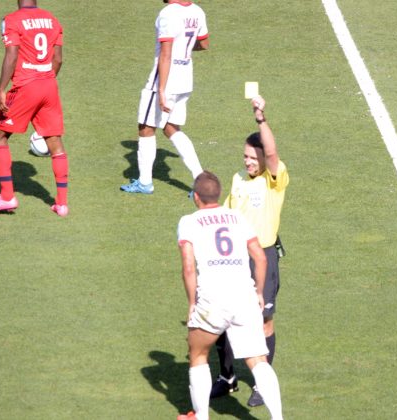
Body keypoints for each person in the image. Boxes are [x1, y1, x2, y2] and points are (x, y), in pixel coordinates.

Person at [176, 171, 283, 420]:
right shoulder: (238, 217)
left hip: (212, 299)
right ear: (219, 194)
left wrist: (192, 303)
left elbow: (189, 267)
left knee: (198, 353)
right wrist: (258, 291)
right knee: (259, 360)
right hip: (244, 295)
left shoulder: (188, 222)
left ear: (196, 197)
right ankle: (278, 418)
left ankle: (201, 417)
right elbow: (259, 256)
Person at [209, 95, 289, 407]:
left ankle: (261, 382)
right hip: (234, 260)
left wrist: (260, 117)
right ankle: (226, 377)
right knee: (222, 318)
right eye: (245, 156)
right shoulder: (238, 180)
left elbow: (272, 151)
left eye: (253, 158)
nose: (247, 162)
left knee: (263, 320)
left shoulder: (274, 180)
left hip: (264, 258)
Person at [0, 0, 70, 217]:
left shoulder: (12, 20)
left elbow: (12, 55)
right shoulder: (52, 19)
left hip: (26, 86)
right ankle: (61, 204)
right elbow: (57, 59)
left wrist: (2, 88)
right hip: (49, 85)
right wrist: (44, 81)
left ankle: (6, 196)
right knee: (54, 142)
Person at [121, 0, 209, 195]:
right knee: (171, 128)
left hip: (165, 79)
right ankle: (200, 179)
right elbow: (204, 44)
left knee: (146, 127)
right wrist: (182, 50)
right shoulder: (197, 11)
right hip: (185, 78)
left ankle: (145, 183)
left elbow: (166, 55)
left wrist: (161, 90)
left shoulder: (168, 13)